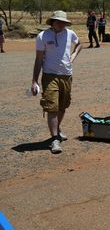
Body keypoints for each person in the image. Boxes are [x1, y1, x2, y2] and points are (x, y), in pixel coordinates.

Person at [32, 10, 82, 154]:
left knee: (62, 106)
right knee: (52, 106)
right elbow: (39, 59)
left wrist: (73, 54)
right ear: (52, 22)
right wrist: (34, 80)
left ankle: (57, 128)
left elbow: (79, 44)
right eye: (58, 21)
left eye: (63, 22)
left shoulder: (70, 33)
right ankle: (55, 139)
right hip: (50, 76)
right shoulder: (43, 36)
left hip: (66, 75)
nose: (61, 24)